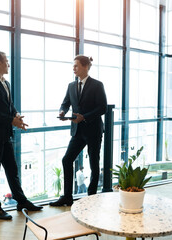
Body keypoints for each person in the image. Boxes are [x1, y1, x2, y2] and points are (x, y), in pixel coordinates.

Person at [0, 51, 42, 220]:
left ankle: (21, 201)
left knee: (12, 169)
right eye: (6, 61)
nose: (8, 64)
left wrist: (16, 115)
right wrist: (11, 121)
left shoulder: (5, 82)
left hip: (4, 134)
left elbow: (9, 105)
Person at [50, 55, 107, 207]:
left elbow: (103, 107)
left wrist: (85, 117)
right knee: (67, 160)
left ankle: (92, 196)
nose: (73, 68)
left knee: (94, 163)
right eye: (73, 66)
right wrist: (62, 112)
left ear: (85, 66)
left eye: (76, 66)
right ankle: (67, 197)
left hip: (93, 130)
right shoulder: (71, 86)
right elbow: (65, 103)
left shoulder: (97, 85)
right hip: (77, 131)